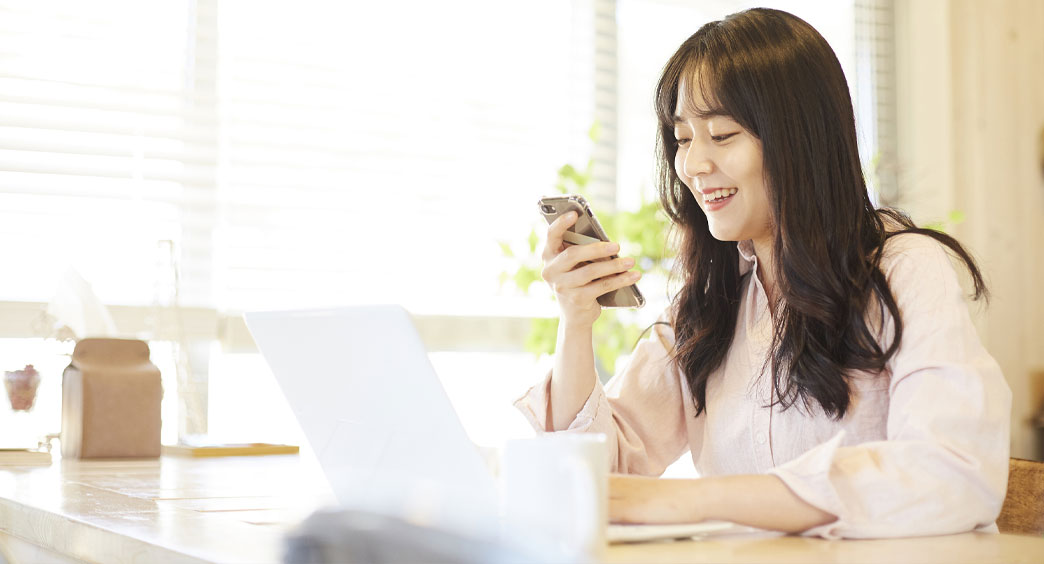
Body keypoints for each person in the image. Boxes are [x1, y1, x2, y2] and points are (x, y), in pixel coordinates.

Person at [515, 7, 1011, 539]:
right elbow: (598, 474)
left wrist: (695, 501)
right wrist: (576, 321)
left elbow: (954, 473)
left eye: (722, 134)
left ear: (801, 139)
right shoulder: (707, 304)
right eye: (682, 138)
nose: (694, 165)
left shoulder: (903, 271)